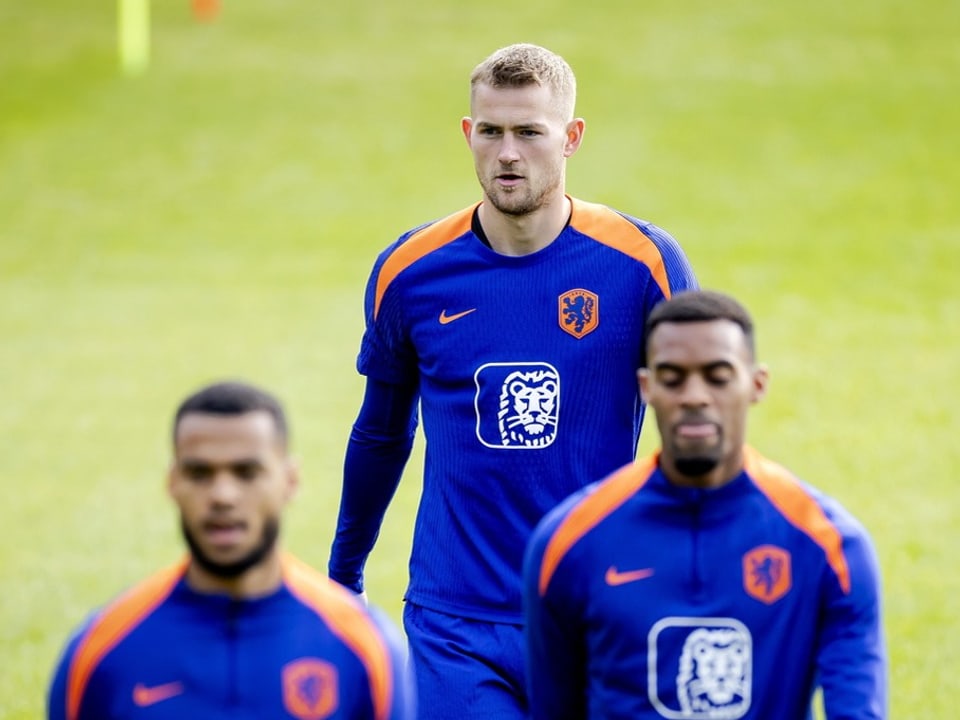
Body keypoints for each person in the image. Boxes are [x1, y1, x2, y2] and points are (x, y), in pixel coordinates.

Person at [327, 43, 698, 719]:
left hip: (597, 608)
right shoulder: (410, 273)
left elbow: (698, 426)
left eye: (530, 132)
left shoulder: (644, 265)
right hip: (454, 621)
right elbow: (382, 434)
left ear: (571, 137)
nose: (507, 154)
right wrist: (343, 574)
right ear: (468, 134)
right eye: (491, 131)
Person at [523, 290, 887, 719]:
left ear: (756, 384)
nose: (694, 397)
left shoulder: (830, 547)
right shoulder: (569, 541)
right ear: (646, 387)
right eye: (673, 378)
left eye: (717, 377)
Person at [48, 380, 415, 720]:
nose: (223, 496)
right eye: (200, 473)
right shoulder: (102, 653)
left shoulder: (362, 649)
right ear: (173, 482)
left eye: (246, 472)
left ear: (289, 481)